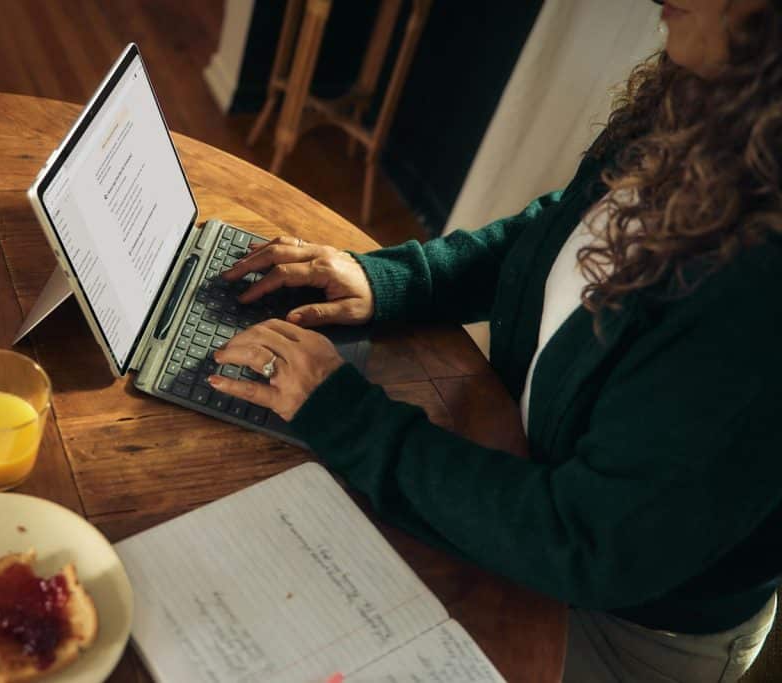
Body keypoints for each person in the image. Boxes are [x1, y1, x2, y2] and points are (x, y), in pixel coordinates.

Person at [207, 0, 782, 680]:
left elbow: (581, 540)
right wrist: (389, 279)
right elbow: (565, 232)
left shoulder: (761, 294)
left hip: (621, 625)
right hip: (520, 487)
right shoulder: (702, 93)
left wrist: (345, 414)